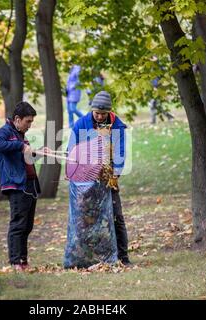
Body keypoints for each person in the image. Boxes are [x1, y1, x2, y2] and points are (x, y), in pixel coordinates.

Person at [67, 91, 132, 267]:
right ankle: (84, 257)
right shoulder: (81, 124)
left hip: (107, 176)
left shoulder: (116, 125)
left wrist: (115, 174)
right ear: (92, 110)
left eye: (103, 114)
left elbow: (120, 152)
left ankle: (123, 257)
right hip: (86, 179)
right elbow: (72, 151)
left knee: (116, 215)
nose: (100, 116)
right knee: (85, 217)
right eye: (97, 113)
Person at [0, 101, 48, 271]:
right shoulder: (5, 132)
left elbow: (25, 158)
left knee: (27, 225)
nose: (29, 125)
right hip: (17, 186)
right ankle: (15, 262)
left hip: (30, 184)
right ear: (17, 119)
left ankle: (23, 260)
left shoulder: (20, 133)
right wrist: (20, 145)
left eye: (31, 122)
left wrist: (40, 152)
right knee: (18, 224)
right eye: (27, 121)